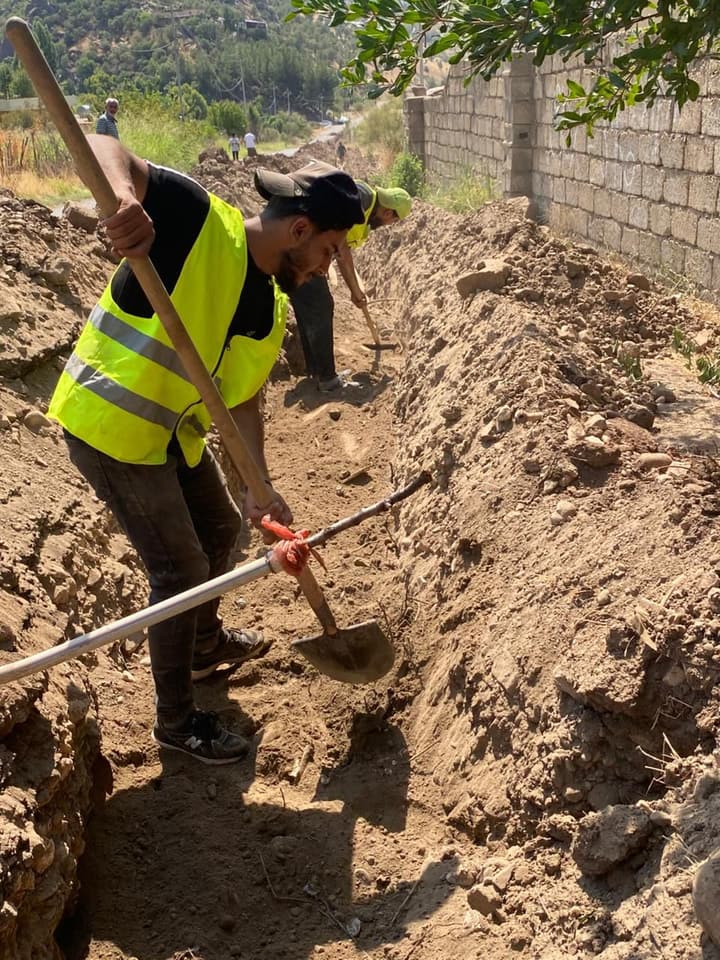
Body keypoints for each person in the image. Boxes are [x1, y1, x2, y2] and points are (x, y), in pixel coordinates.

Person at [48, 135, 364, 764]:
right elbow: (103, 146)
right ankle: (176, 721)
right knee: (179, 570)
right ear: (300, 229)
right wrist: (123, 201)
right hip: (109, 424)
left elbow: (241, 403)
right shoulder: (196, 220)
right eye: (330, 250)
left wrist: (258, 486)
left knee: (221, 528)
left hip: (169, 434)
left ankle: (202, 644)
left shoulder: (268, 308)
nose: (328, 267)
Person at [288, 167, 412, 392]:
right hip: (300, 249)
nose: (389, 225)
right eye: (393, 221)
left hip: (300, 245)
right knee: (319, 305)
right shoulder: (359, 201)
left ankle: (315, 371)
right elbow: (343, 251)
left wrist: (356, 287)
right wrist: (355, 291)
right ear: (388, 212)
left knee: (310, 306)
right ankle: (327, 379)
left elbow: (341, 249)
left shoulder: (364, 199)